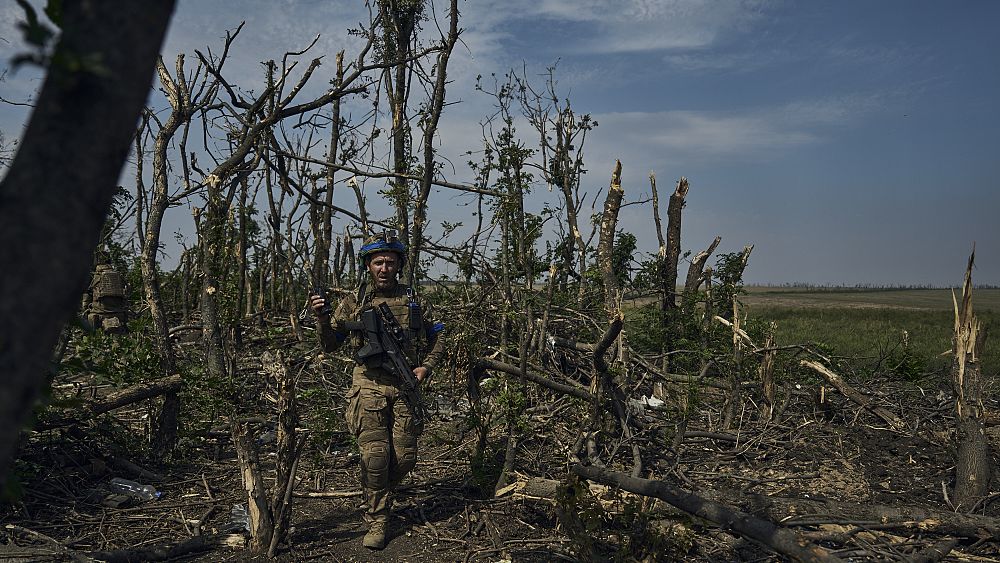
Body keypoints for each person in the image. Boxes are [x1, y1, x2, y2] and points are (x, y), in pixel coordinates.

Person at [311, 230, 444, 550]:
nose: (384, 268)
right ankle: (378, 518)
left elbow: (439, 336)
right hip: (368, 383)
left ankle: (375, 492)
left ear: (399, 265)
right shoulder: (354, 302)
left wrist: (426, 366)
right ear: (368, 266)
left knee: (406, 458)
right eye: (377, 262)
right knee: (375, 457)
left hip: (404, 384)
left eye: (389, 262)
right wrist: (322, 317)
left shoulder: (415, 299)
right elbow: (330, 344)